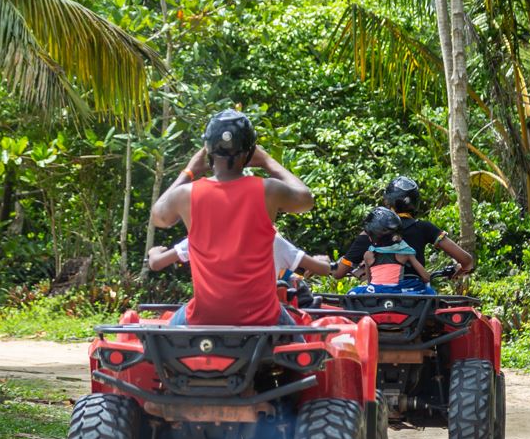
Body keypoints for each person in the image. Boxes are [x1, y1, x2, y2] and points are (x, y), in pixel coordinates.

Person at [150, 109, 314, 326]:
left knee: (167, 340)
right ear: (250, 151)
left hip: (203, 317)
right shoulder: (268, 190)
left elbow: (158, 216)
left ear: (207, 150)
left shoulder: (185, 195)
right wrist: (267, 161)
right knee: (304, 352)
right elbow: (306, 199)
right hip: (264, 318)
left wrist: (189, 171)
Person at [333, 176, 473, 287]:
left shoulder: (369, 233)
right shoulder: (424, 228)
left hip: (378, 298)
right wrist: (458, 271)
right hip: (415, 299)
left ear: (388, 203)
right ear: (416, 203)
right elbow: (467, 261)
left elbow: (339, 273)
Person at [147, 232, 332, 280]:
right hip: (262, 316)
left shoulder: (202, 235)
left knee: (167, 338)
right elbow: (323, 269)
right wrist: (322, 261)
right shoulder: (271, 239)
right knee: (303, 341)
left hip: (209, 314)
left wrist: (154, 252)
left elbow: (155, 264)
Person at [348, 206, 433, 295]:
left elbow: (370, 282)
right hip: (396, 291)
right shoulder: (405, 253)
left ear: (371, 237)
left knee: (353, 292)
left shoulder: (368, 255)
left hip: (375, 291)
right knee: (428, 291)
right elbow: (426, 278)